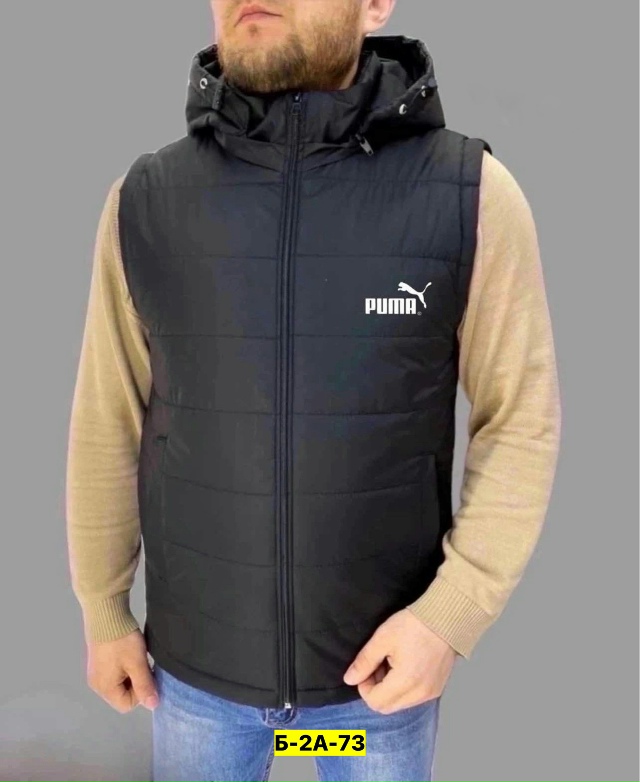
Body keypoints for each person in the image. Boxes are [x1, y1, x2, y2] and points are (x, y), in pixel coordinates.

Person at [65, 1, 562, 780]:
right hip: (195, 688)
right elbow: (108, 417)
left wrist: (450, 616)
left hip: (379, 686)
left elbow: (521, 420)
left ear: (375, 4)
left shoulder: (469, 195)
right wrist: (103, 609)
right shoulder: (147, 201)